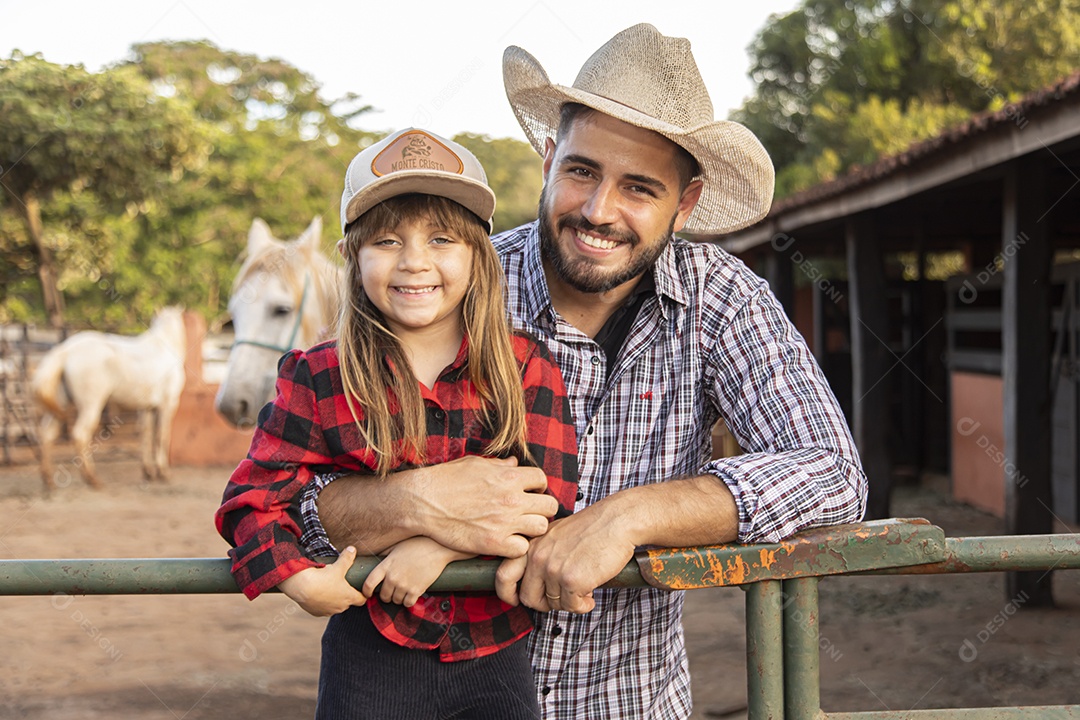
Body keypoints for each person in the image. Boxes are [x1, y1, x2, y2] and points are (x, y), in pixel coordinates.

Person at [302, 24, 868, 718]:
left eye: (639, 188)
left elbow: (834, 475)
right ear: (548, 160)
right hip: (429, 696)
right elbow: (294, 500)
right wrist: (419, 504)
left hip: (630, 703)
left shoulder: (721, 298)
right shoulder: (442, 284)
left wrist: (629, 517)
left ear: (685, 204)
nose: (599, 211)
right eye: (581, 172)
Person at [215, 128, 579, 719]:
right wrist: (296, 580)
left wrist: (436, 549)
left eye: (442, 239)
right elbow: (250, 501)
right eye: (386, 240)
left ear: (478, 256)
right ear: (351, 257)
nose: (414, 261)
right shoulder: (318, 375)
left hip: (496, 653)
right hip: (368, 654)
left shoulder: (524, 367)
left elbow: (550, 501)